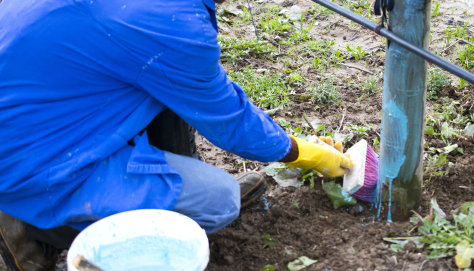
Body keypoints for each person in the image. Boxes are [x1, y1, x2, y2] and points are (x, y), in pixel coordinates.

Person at [0, 0, 353, 269]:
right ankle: (31, 224)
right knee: (218, 200)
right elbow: (229, 120)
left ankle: (158, 185)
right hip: (25, 157)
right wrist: (299, 151)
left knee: (159, 84)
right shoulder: (169, 23)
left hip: (38, 104)